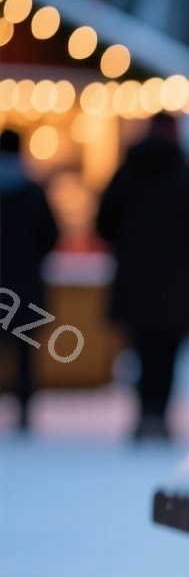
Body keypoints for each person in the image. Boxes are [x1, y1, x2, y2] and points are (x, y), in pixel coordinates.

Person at [96, 114, 189, 439]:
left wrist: (128, 247)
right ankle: (159, 415)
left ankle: (144, 413)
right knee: (168, 353)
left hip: (134, 280)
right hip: (175, 282)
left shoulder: (127, 171)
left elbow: (104, 222)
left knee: (141, 350)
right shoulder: (184, 175)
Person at [0, 129, 60, 434]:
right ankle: (24, 408)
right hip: (24, 284)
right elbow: (51, 234)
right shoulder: (33, 192)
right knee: (25, 353)